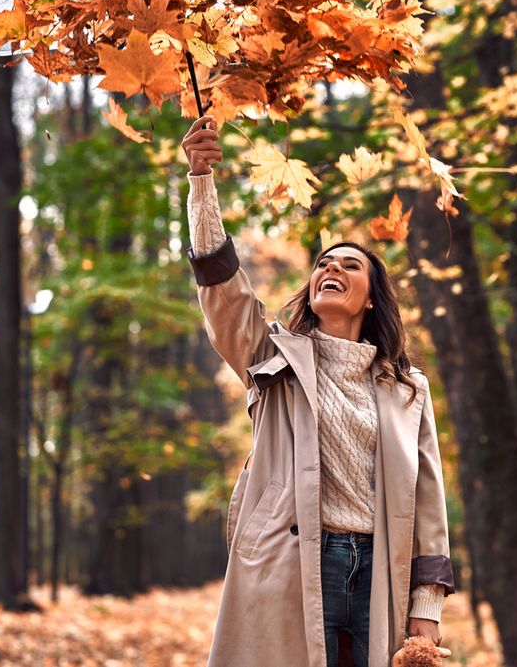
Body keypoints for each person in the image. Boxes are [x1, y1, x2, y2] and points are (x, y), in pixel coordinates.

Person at [181, 115, 455, 667]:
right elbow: (225, 296)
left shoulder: (407, 389)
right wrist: (201, 181)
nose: (331, 268)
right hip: (292, 560)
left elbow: (428, 503)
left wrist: (427, 606)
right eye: (324, 263)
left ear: (371, 297)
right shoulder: (272, 358)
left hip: (380, 568)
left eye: (350, 265)